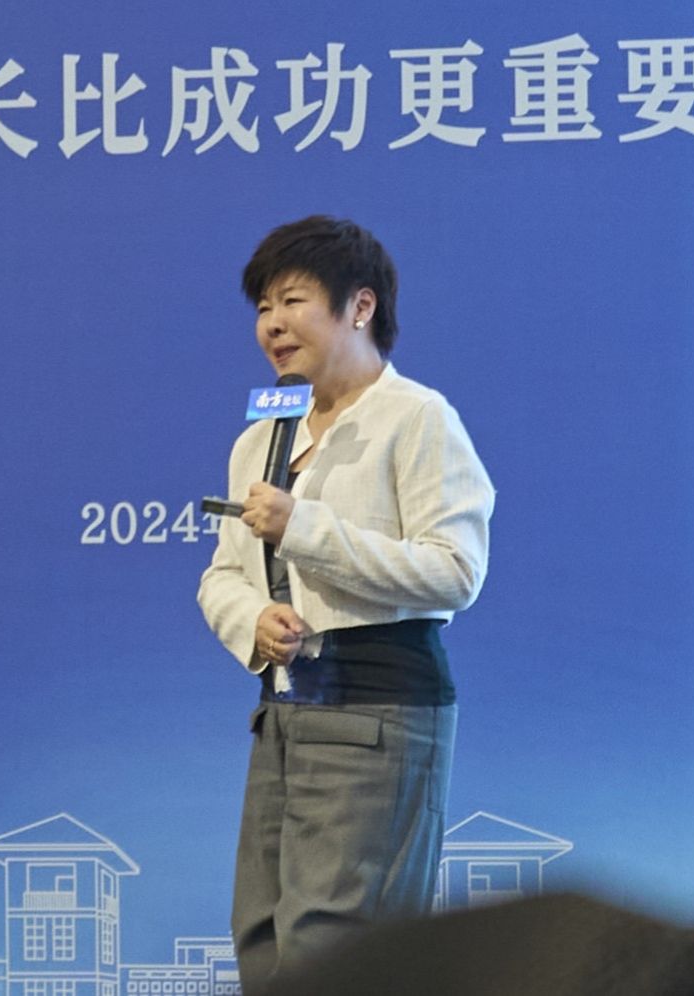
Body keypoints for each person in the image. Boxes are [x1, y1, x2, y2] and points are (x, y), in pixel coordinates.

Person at [197, 215, 496, 994]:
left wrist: (305, 529)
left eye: (292, 300)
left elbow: (454, 571)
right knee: (263, 941)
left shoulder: (417, 418)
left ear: (360, 306)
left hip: (378, 712)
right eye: (263, 306)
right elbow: (222, 575)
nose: (272, 324)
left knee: (336, 953)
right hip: (282, 714)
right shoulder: (260, 439)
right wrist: (252, 621)